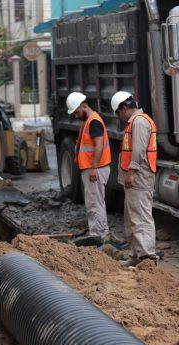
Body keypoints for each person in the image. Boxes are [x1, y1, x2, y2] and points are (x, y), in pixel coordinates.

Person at [111, 91, 160, 266]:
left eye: (118, 114)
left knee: (141, 218)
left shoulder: (138, 122)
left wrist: (131, 173)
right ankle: (136, 255)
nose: (120, 118)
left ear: (123, 109)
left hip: (139, 178)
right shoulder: (137, 122)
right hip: (137, 179)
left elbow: (138, 150)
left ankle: (147, 257)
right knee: (133, 218)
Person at [66, 92, 114, 244]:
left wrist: (93, 168)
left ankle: (97, 235)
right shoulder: (90, 121)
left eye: (77, 112)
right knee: (96, 202)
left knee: (94, 203)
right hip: (94, 169)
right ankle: (102, 233)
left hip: (95, 170)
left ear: (83, 106)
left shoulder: (93, 122)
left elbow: (99, 146)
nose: (76, 115)